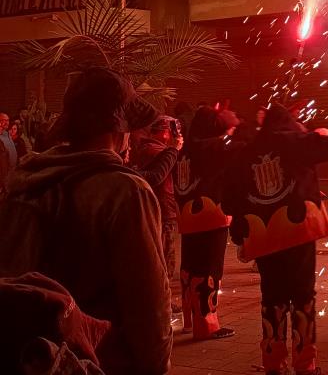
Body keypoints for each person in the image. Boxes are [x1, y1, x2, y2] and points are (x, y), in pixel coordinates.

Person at [0, 67, 171, 375]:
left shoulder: (25, 182)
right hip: (100, 361)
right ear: (118, 128)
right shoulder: (125, 191)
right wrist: (155, 365)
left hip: (31, 358)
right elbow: (148, 305)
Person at [224, 104, 328, 375]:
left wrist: (240, 232)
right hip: (298, 231)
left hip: (264, 234)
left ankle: (273, 362)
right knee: (303, 296)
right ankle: (305, 364)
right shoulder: (294, 141)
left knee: (272, 297)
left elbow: (229, 199)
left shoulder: (245, 151)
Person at [174, 105, 236, 340]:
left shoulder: (184, 150)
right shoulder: (214, 147)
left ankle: (190, 321)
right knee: (209, 269)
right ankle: (206, 326)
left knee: (189, 268)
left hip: (187, 218)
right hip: (212, 215)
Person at [132, 116, 183, 308]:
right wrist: (173, 149)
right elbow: (159, 175)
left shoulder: (152, 148)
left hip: (162, 208)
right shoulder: (153, 150)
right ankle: (163, 303)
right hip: (160, 209)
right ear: (164, 132)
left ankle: (162, 300)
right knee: (164, 258)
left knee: (164, 256)